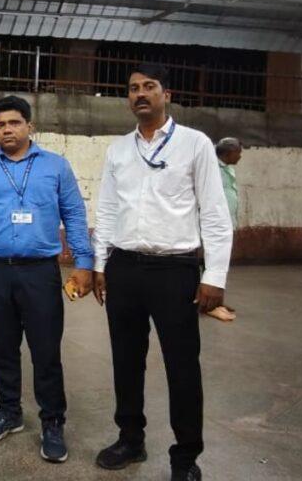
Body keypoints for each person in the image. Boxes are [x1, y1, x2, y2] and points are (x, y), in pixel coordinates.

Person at [92, 63, 233, 481]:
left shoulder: (195, 144)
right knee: (125, 360)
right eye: (133, 88)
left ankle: (185, 458)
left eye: (149, 87)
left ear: (166, 94)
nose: (140, 94)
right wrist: (101, 265)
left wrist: (216, 276)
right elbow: (106, 210)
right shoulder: (119, 149)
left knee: (182, 366)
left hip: (175, 270)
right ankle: (130, 439)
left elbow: (215, 213)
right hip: (125, 267)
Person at [0, 95, 93, 462]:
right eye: (1, 125)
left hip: (39, 272)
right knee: (4, 347)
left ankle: (52, 422)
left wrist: (84, 262)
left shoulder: (55, 167)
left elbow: (74, 215)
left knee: (46, 351)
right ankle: (9, 412)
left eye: (15, 123)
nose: (8, 130)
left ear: (30, 126)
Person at [208, 137, 242, 322]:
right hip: (215, 225)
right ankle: (211, 305)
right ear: (229, 153)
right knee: (212, 263)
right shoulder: (213, 169)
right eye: (239, 152)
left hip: (226, 223)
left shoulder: (227, 168)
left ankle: (217, 301)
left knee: (221, 263)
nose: (240, 156)